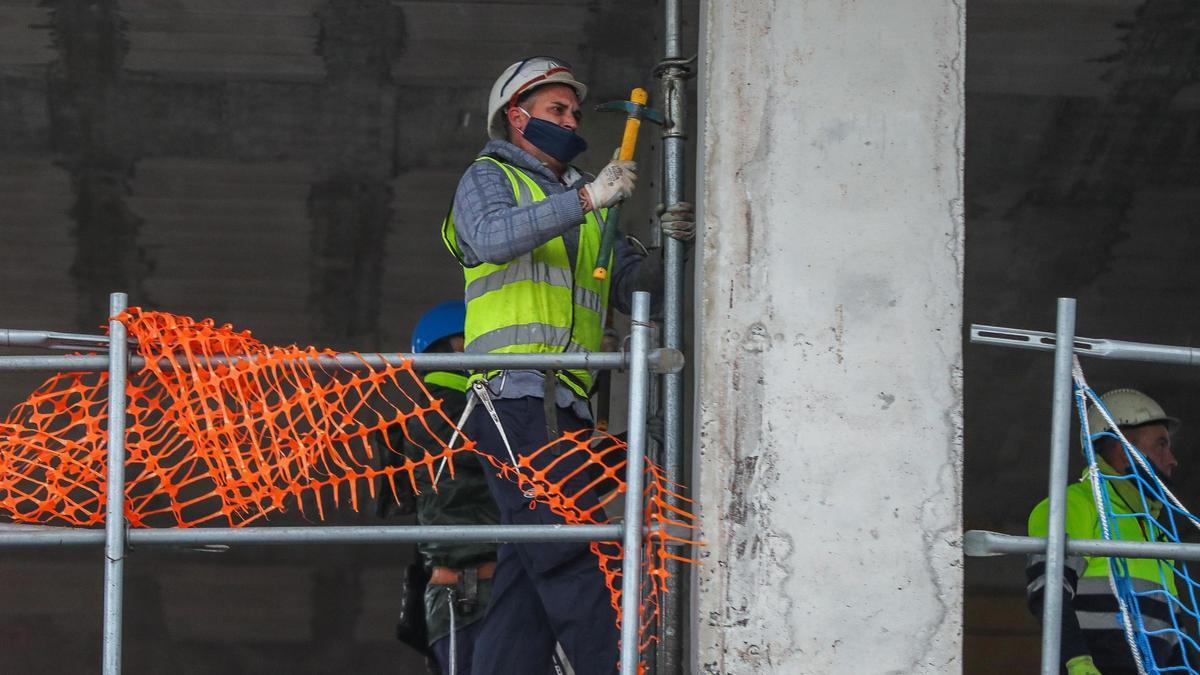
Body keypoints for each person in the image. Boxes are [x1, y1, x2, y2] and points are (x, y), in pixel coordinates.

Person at [440, 56, 694, 675]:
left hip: (569, 404)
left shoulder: (587, 199)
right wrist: (587, 197)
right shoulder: (489, 174)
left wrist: (682, 245)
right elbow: (492, 237)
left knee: (527, 574)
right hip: (514, 393)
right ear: (516, 116)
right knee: (565, 549)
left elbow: (636, 285)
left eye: (575, 112)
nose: (573, 120)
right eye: (557, 110)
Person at [1026, 388, 1183, 675]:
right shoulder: (1073, 504)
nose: (1172, 459)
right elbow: (1048, 591)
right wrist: (1077, 661)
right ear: (1125, 449)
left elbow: (1171, 632)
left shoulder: (1157, 529)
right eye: (1161, 445)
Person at [379, 301, 499, 675]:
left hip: (463, 596)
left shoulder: (431, 413)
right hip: (469, 595)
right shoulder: (454, 411)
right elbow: (544, 465)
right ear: (459, 346)